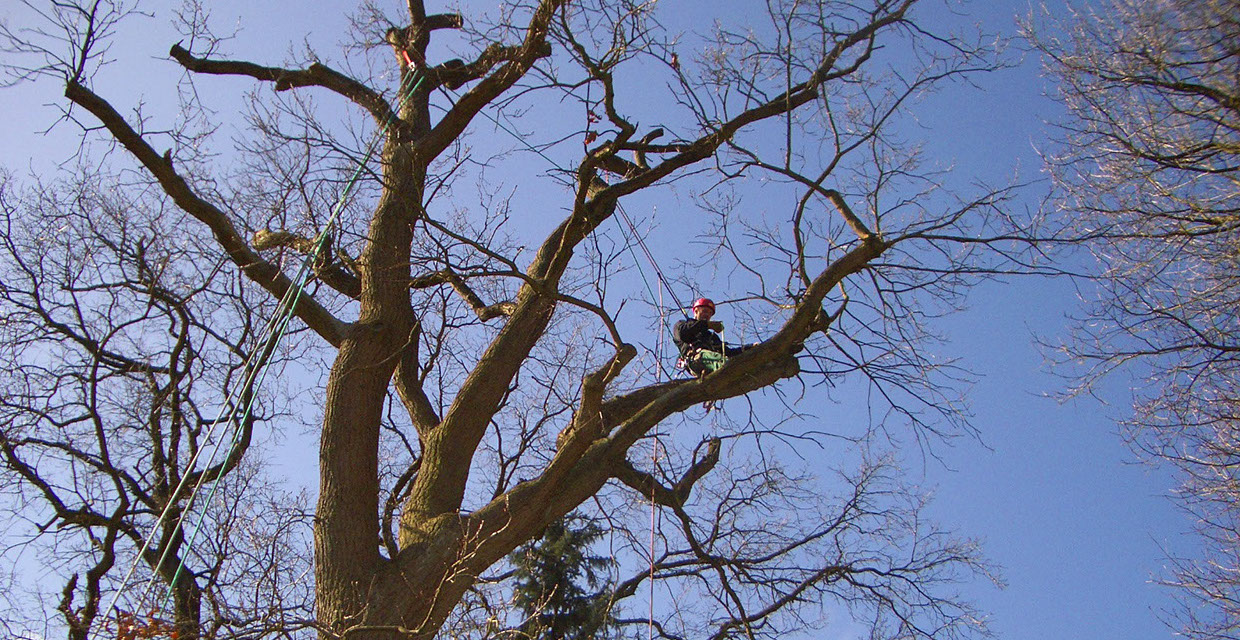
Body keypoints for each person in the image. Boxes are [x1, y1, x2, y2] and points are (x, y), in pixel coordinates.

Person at [672, 297, 752, 376]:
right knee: (721, 361)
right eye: (705, 311)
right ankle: (728, 372)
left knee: (726, 360)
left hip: (711, 362)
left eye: (710, 313)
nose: (707, 315)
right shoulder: (681, 325)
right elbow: (683, 334)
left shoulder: (711, 336)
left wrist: (749, 347)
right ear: (696, 311)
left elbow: (728, 352)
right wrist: (706, 325)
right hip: (696, 359)